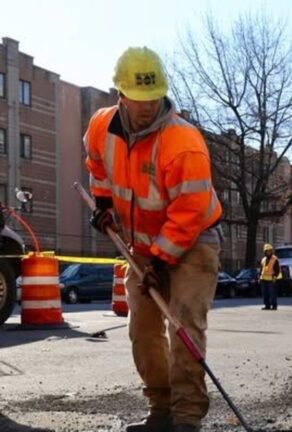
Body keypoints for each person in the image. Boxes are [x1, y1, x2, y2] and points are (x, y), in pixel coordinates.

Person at [85, 47, 223, 432]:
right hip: (143, 246)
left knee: (184, 326)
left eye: (153, 97)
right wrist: (102, 203)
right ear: (120, 94)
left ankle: (186, 418)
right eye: (138, 98)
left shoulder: (184, 143)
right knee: (143, 330)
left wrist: (161, 261)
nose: (147, 107)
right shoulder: (101, 126)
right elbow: (96, 164)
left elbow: (190, 211)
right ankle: (161, 409)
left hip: (194, 241)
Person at [259, 243, 281, 310]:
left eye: (269, 251)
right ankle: (267, 305)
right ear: (265, 252)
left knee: (272, 294)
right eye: (267, 251)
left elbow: (277, 269)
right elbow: (261, 269)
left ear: (271, 251)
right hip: (263, 279)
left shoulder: (275, 259)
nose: (268, 252)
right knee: (265, 294)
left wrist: (274, 277)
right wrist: (259, 277)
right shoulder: (263, 259)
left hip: (271, 279)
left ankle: (274, 306)